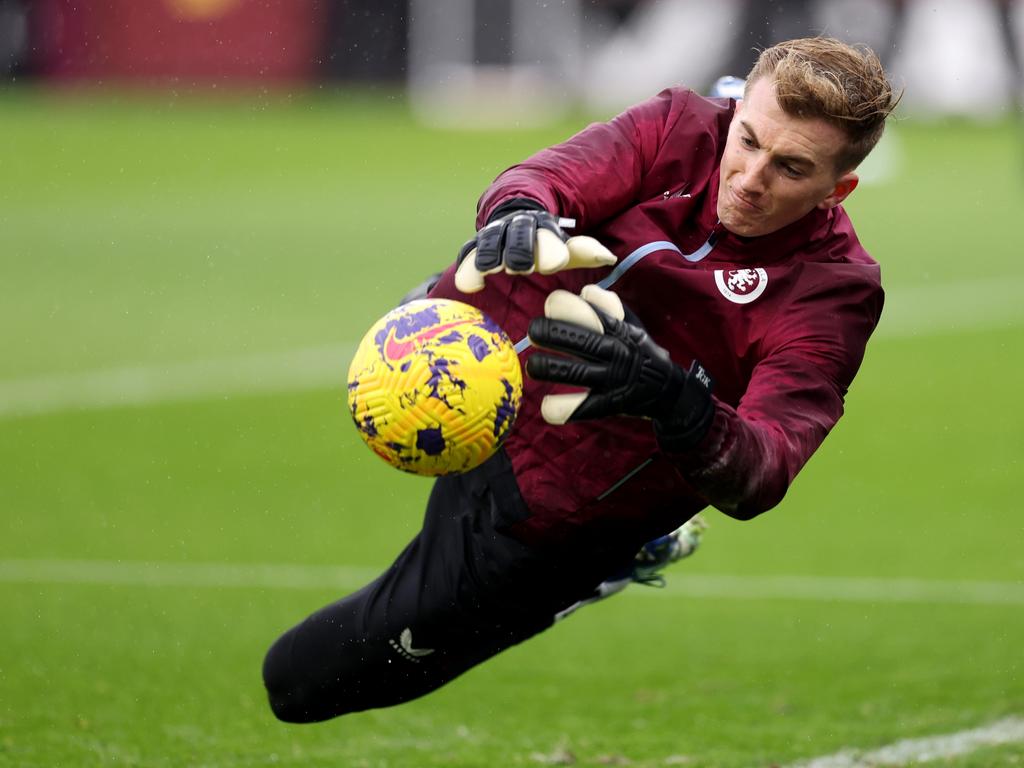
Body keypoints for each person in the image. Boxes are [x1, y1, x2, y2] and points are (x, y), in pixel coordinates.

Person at [262, 36, 899, 723]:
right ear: (736, 109)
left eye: (791, 167)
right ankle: (436, 300)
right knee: (489, 256)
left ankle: (625, 556)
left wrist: (678, 401)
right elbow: (546, 176)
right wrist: (517, 211)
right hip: (471, 367)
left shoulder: (833, 292)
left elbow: (764, 468)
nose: (749, 177)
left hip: (555, 510)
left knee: (299, 683)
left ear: (839, 189)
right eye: (747, 140)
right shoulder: (682, 126)